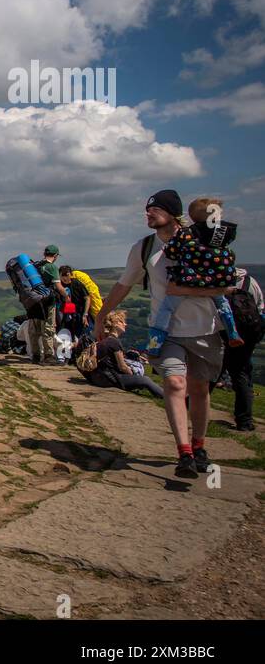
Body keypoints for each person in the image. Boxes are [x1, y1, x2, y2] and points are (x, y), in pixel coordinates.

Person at [94, 190, 223, 479]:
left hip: (205, 328)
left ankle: (200, 445)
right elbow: (123, 285)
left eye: (155, 209)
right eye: (147, 210)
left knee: (200, 389)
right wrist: (102, 315)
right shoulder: (144, 248)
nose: (148, 214)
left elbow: (224, 284)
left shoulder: (198, 241)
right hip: (164, 331)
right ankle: (185, 452)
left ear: (173, 213)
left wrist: (185, 291)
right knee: (176, 384)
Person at [146, 197, 242, 353]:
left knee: (167, 308)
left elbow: (172, 252)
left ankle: (155, 342)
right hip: (216, 280)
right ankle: (232, 332)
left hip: (190, 278)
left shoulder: (187, 233)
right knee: (222, 303)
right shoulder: (223, 232)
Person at [220, 267, 263, 431]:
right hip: (247, 334)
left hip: (222, 331)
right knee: (242, 375)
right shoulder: (251, 282)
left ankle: (191, 407)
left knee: (212, 372)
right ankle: (244, 421)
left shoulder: (220, 279)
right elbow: (260, 307)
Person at [86, 312, 163, 398]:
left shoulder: (107, 340)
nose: (125, 324)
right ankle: (165, 396)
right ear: (115, 324)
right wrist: (134, 375)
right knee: (145, 380)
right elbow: (122, 367)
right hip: (109, 379)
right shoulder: (114, 342)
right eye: (122, 322)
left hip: (99, 377)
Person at [27, 244, 68, 366]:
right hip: (48, 301)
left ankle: (35, 355)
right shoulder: (52, 267)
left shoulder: (35, 266)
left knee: (34, 329)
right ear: (55, 255)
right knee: (48, 329)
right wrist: (67, 297)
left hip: (33, 301)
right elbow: (58, 286)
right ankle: (49, 356)